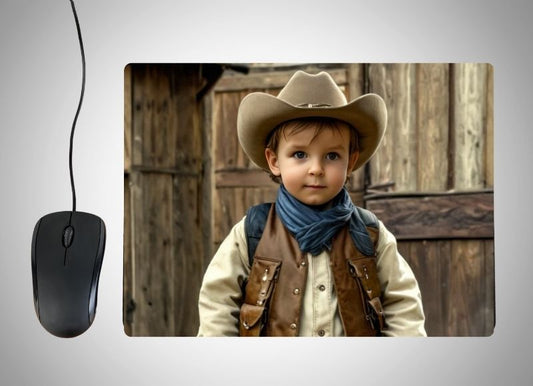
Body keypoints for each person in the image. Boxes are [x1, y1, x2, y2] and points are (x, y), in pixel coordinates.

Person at [197, 70, 426, 337]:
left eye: (331, 155)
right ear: (274, 161)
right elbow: (218, 305)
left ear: (350, 162)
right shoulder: (252, 232)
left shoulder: (370, 234)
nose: (316, 168)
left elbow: (403, 307)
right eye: (300, 154)